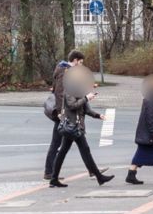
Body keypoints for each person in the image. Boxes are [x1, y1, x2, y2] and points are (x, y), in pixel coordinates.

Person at [50, 65, 114, 188]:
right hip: (72, 125)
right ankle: (99, 177)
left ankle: (54, 178)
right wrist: (86, 98)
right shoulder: (68, 90)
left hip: (74, 125)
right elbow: (72, 105)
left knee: (66, 151)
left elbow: (84, 108)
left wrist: (97, 115)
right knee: (83, 151)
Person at [44, 50, 84, 180]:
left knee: (61, 142)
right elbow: (60, 93)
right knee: (56, 143)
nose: (81, 66)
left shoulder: (64, 70)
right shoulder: (64, 72)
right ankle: (49, 172)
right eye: (81, 62)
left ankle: (51, 172)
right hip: (63, 113)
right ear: (75, 60)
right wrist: (62, 112)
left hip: (64, 112)